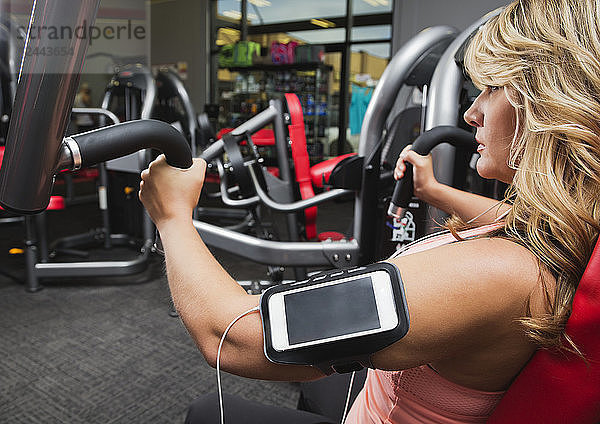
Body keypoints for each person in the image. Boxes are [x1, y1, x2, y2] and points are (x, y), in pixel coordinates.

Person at [138, 0, 600, 422]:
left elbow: (231, 338)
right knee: (323, 386)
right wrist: (434, 190)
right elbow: (504, 219)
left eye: (492, 89)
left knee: (205, 412)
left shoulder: (494, 276)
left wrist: (173, 216)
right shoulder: (567, 225)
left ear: (549, 104)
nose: (471, 113)